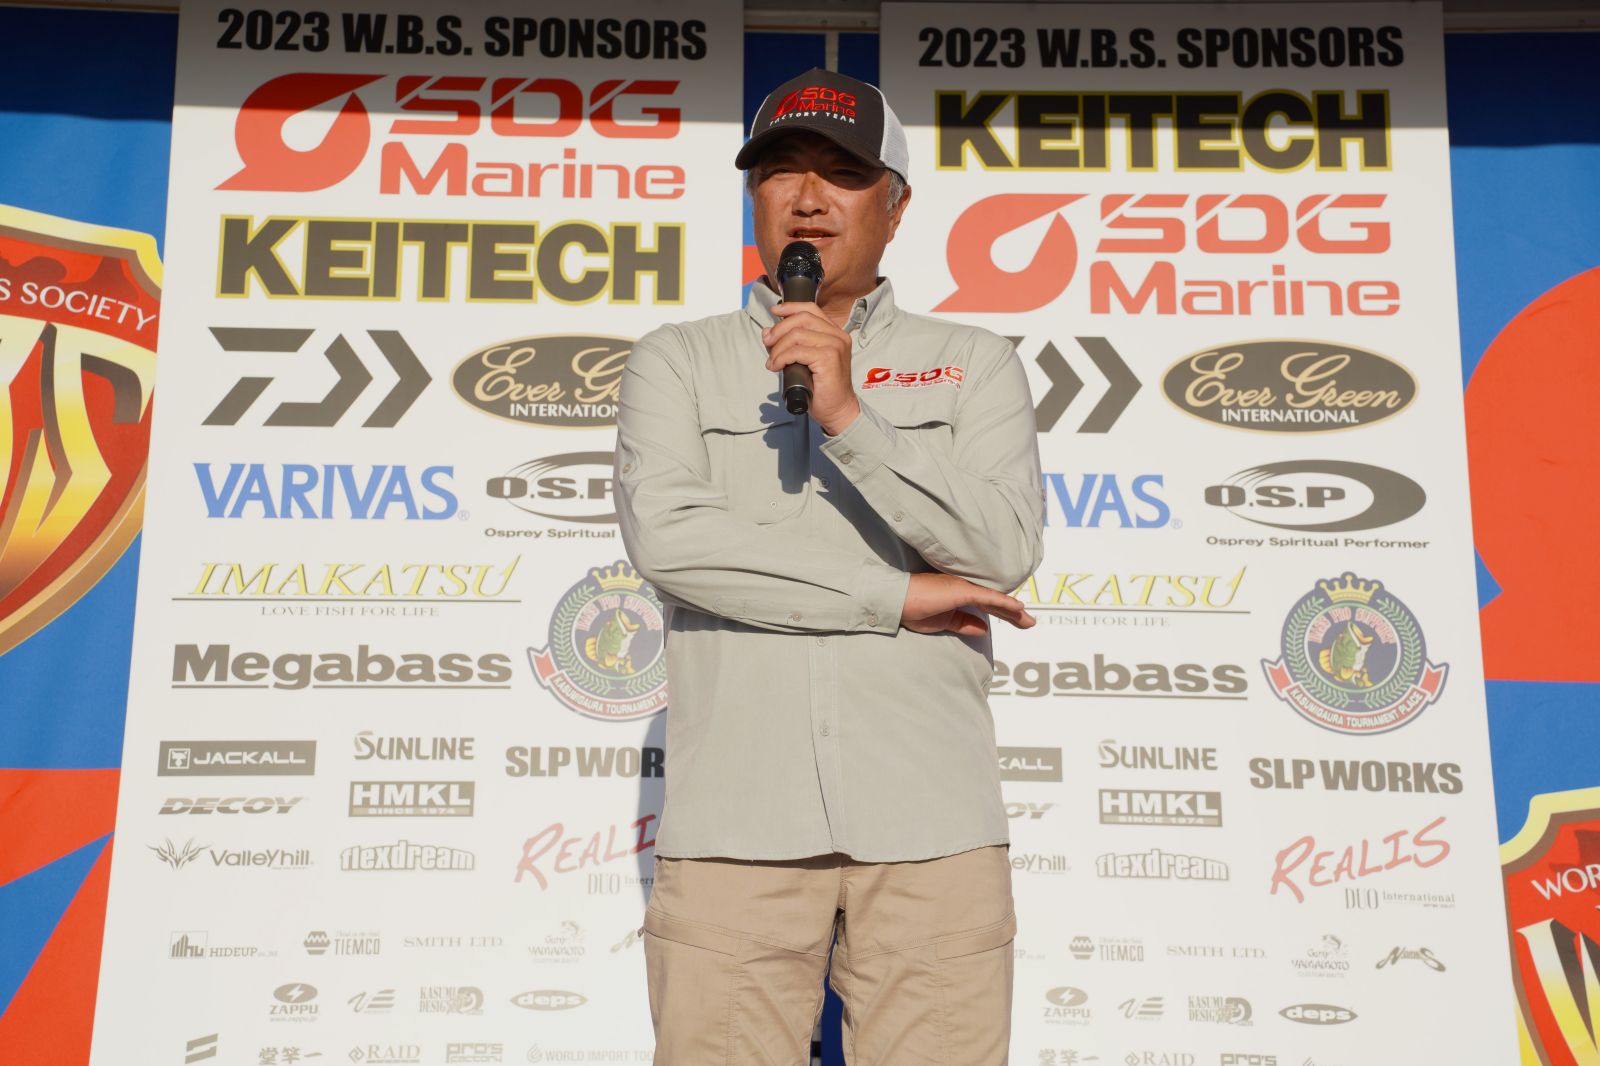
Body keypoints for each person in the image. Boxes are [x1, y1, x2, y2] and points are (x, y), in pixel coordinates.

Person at [615, 67, 1045, 1065]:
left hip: (931, 827)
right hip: (734, 831)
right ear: (753, 199)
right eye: (781, 171)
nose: (807, 197)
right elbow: (671, 543)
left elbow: (1000, 549)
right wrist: (892, 597)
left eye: (842, 173)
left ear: (895, 206)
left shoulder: (975, 361)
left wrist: (850, 415)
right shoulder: (675, 360)